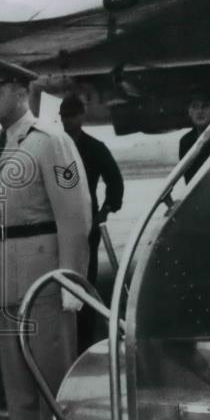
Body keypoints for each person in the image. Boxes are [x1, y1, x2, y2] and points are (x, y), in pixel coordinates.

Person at [0, 57, 92, 420]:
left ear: (20, 92)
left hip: (43, 273)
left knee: (51, 373)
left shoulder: (50, 142)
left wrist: (71, 283)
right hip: (6, 272)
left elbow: (75, 217)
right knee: (17, 380)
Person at [59, 94, 124, 351]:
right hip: (60, 223)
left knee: (86, 279)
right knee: (62, 280)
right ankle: (67, 335)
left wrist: (106, 211)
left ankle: (85, 337)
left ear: (81, 116)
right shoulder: (56, 146)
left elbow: (115, 181)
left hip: (87, 224)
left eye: (72, 115)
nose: (68, 120)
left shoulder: (95, 147)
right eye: (64, 115)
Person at [179, 90, 210, 183]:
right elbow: (188, 178)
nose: (200, 111)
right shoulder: (185, 141)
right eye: (195, 107)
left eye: (205, 106)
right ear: (190, 111)